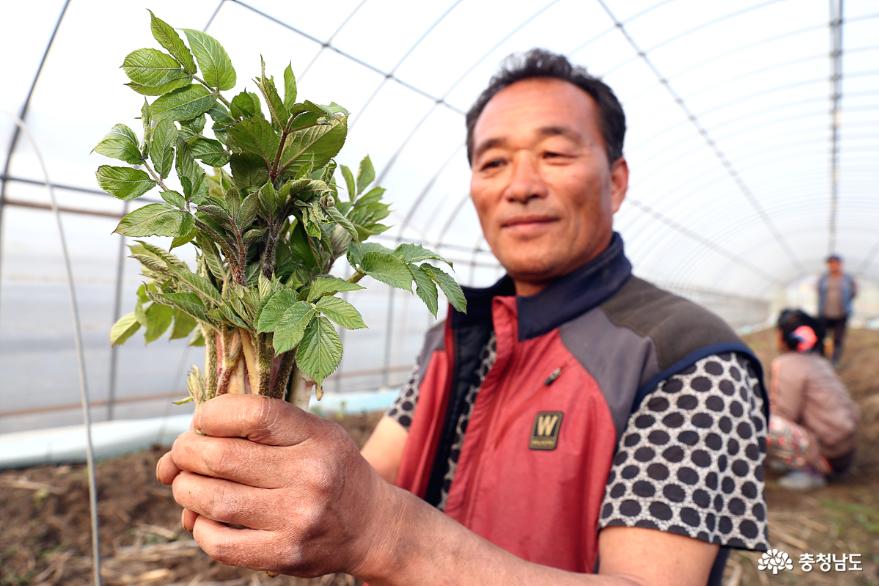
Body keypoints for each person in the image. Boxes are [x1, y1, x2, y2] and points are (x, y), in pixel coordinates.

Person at [157, 49, 770, 585]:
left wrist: (382, 533)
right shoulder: (456, 333)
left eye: (554, 152)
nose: (521, 185)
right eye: (494, 162)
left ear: (616, 180)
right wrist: (264, 486)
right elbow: (365, 478)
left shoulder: (688, 358)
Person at [767, 309, 859, 490]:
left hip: (826, 455)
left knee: (761, 422)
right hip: (843, 454)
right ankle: (806, 461)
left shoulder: (786, 363)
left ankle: (809, 470)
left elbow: (785, 413)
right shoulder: (819, 362)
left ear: (784, 336)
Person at [816, 254, 857, 364]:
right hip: (825, 313)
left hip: (841, 314)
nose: (833, 266)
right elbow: (819, 291)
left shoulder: (848, 278)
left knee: (838, 338)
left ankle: (835, 360)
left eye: (836, 263)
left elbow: (853, 293)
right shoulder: (823, 278)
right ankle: (822, 357)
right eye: (831, 264)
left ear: (840, 264)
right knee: (822, 336)